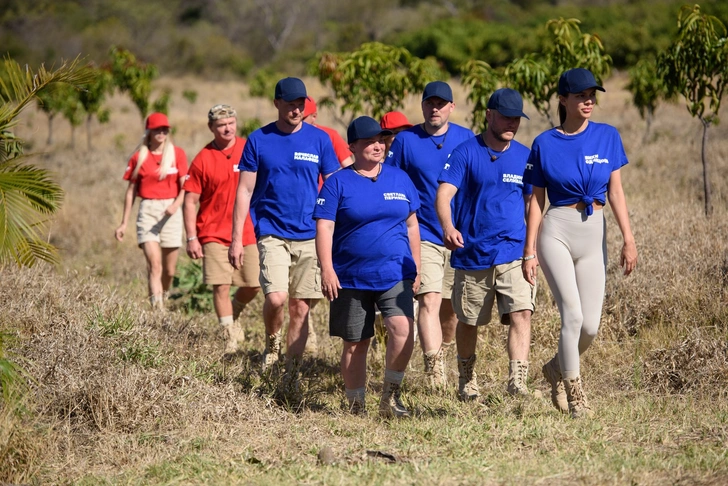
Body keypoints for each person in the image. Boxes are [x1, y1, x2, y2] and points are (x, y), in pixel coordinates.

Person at [522, 68, 637, 419]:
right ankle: (576, 394)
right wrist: (529, 252)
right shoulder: (544, 142)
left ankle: (555, 368)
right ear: (562, 99)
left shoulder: (608, 136)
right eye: (580, 96)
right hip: (557, 229)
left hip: (594, 230)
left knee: (590, 325)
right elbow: (536, 202)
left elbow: (615, 191)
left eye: (592, 95)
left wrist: (628, 239)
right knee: (571, 315)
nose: (588, 101)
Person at [229, 77, 340, 384]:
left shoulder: (319, 140)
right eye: (290, 104)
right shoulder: (258, 139)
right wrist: (237, 238)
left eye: (300, 104)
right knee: (277, 298)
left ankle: (289, 371)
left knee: (302, 307)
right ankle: (272, 343)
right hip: (272, 231)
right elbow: (244, 191)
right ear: (276, 103)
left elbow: (335, 185)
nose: (296, 109)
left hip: (311, 234)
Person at [436, 88, 540, 401]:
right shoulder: (465, 152)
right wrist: (448, 226)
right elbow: (443, 195)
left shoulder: (525, 156)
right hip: (471, 253)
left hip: (512, 252)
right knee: (468, 321)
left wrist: (531, 250)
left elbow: (533, 202)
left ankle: (517, 382)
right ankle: (467, 380)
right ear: (489, 115)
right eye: (505, 116)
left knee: (522, 313)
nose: (511, 123)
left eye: (516, 118)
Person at [314, 116, 421, 417]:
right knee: (355, 343)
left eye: (382, 140)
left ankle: (391, 397)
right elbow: (324, 227)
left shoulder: (400, 178)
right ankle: (355, 406)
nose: (378, 146)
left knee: (402, 328)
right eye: (370, 141)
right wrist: (327, 269)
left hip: (395, 272)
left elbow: (412, 225)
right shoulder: (337, 183)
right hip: (350, 275)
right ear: (353, 146)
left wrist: (418, 265)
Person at [386, 81, 474, 390]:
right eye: (429, 103)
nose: (434, 108)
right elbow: (392, 179)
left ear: (452, 107)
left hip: (460, 235)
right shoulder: (406, 140)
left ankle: (445, 351)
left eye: (441, 103)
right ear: (422, 106)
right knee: (429, 300)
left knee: (452, 307)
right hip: (422, 232)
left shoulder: (467, 139)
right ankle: (434, 368)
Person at [183, 104, 261, 357]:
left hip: (248, 230)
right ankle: (229, 338)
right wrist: (192, 237)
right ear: (211, 128)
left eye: (230, 123)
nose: (227, 128)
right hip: (213, 232)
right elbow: (190, 201)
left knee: (255, 283)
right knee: (221, 285)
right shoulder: (203, 158)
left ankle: (234, 311)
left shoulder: (248, 148)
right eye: (221, 125)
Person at [115, 112, 188, 311]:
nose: (162, 132)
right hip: (148, 210)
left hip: (171, 211)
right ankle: (158, 310)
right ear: (149, 131)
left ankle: (161, 296)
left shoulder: (177, 154)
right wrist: (123, 223)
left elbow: (185, 186)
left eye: (165, 129)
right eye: (157, 129)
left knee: (169, 270)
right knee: (155, 265)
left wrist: (176, 204)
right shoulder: (139, 157)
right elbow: (131, 192)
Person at [303, 97, 354, 168]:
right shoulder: (287, 136)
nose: (298, 120)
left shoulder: (330, 135)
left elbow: (349, 168)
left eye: (302, 118)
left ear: (314, 116)